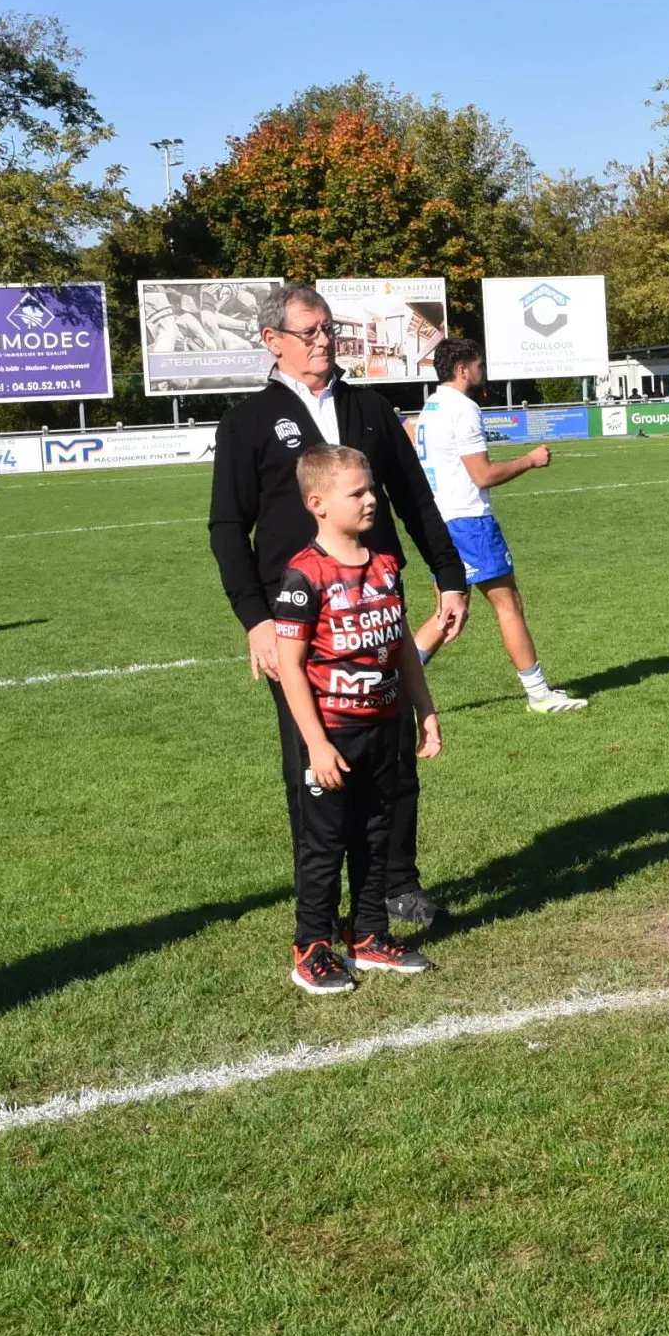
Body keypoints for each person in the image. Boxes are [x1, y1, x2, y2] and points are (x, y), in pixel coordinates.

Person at [210, 283, 469, 934]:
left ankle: (396, 884)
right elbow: (226, 529)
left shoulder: (372, 410)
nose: (324, 341)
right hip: (300, 626)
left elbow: (415, 500)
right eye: (309, 332)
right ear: (274, 342)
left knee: (391, 752)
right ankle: (319, 903)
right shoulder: (246, 423)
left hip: (376, 613)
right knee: (314, 762)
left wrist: (449, 574)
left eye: (329, 329)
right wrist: (256, 618)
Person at [269, 446, 443, 993]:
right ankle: (311, 945)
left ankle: (368, 936)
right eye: (358, 493)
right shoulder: (303, 576)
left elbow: (401, 652)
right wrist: (316, 745)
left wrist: (425, 710)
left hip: (384, 725)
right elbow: (290, 668)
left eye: (371, 490)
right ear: (318, 503)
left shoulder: (387, 567)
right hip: (332, 732)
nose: (371, 500)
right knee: (325, 844)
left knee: (376, 834)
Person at [411, 337, 587, 712]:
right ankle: (539, 694)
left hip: (440, 521)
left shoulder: (431, 406)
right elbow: (483, 475)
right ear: (462, 369)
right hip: (468, 520)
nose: (482, 371)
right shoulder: (463, 407)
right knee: (509, 605)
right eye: (478, 365)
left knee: (449, 611)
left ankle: (390, 686)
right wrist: (530, 460)